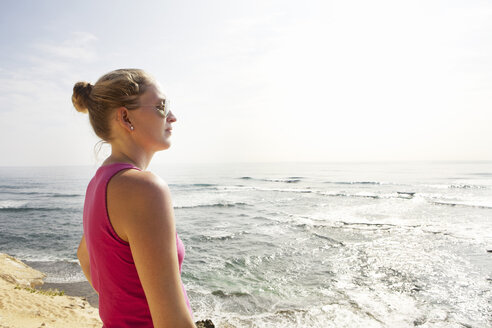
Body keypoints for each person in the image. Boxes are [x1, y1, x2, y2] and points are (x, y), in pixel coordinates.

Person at [73, 69, 195, 328]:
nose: (172, 117)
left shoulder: (99, 183)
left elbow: (84, 255)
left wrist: (125, 305)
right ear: (126, 117)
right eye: (162, 107)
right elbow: (172, 321)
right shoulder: (144, 188)